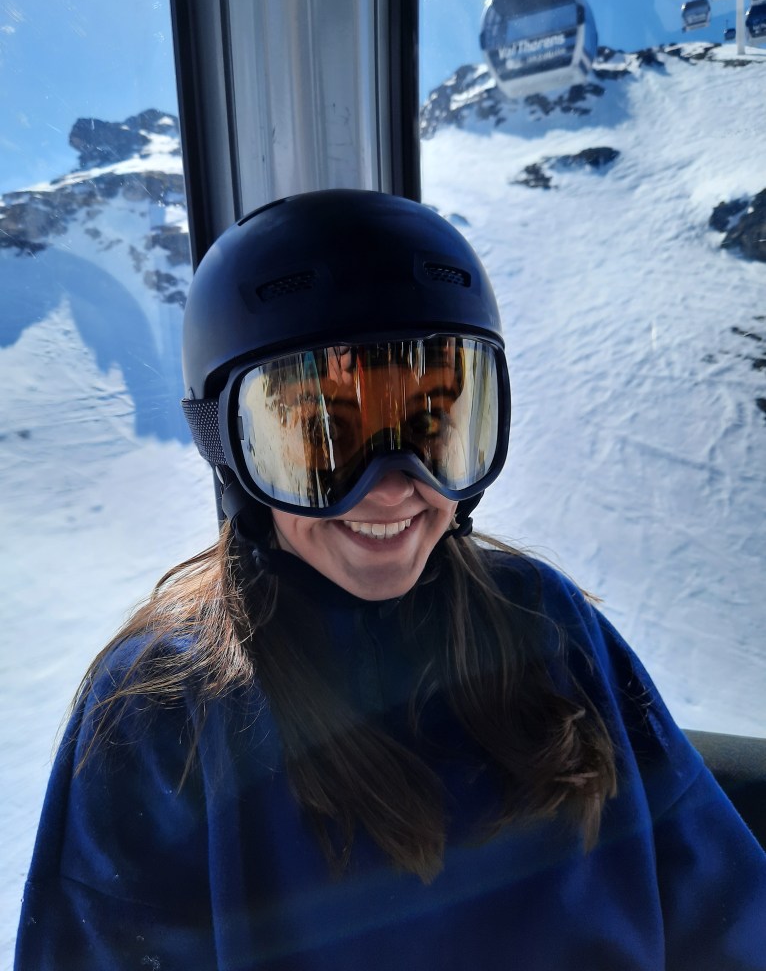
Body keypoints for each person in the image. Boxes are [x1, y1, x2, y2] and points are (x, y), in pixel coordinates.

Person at [15, 190, 766, 970]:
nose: (391, 489)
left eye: (433, 428)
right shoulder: (163, 710)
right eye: (322, 438)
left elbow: (727, 910)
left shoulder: (548, 625)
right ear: (230, 447)